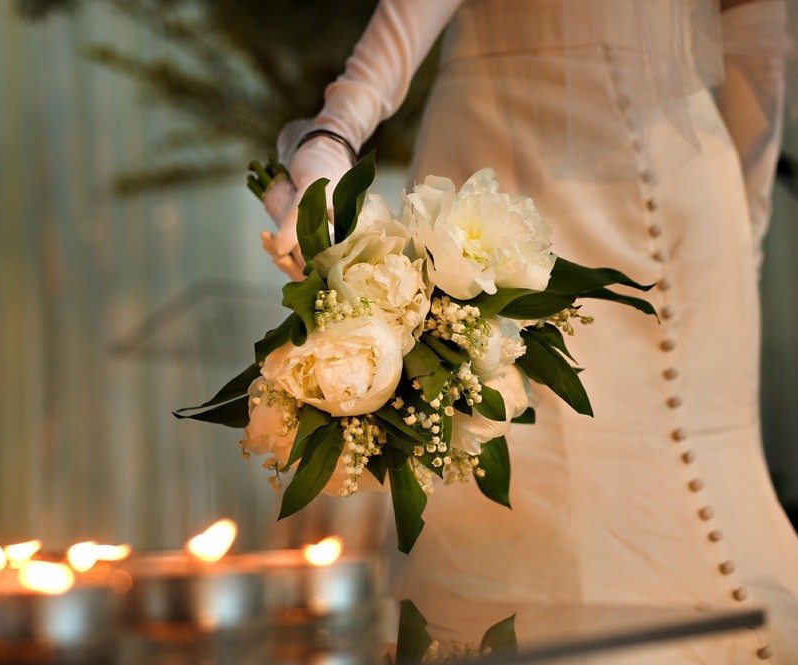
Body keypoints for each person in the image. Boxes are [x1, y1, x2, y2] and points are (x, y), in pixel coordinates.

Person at [260, 1, 798, 661]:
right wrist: (743, 229)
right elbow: (757, 41)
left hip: (515, 157)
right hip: (680, 183)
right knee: (541, 475)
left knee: (539, 489)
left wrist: (334, 133)